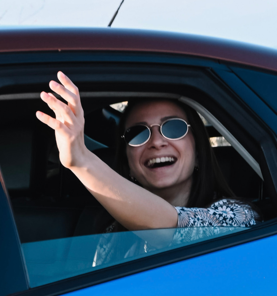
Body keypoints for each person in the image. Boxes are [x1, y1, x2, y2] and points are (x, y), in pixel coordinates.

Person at [36, 71, 259, 231]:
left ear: (199, 149)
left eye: (173, 127)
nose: (157, 142)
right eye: (138, 133)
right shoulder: (113, 232)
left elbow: (172, 227)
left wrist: (81, 161)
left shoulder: (236, 216)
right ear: (127, 160)